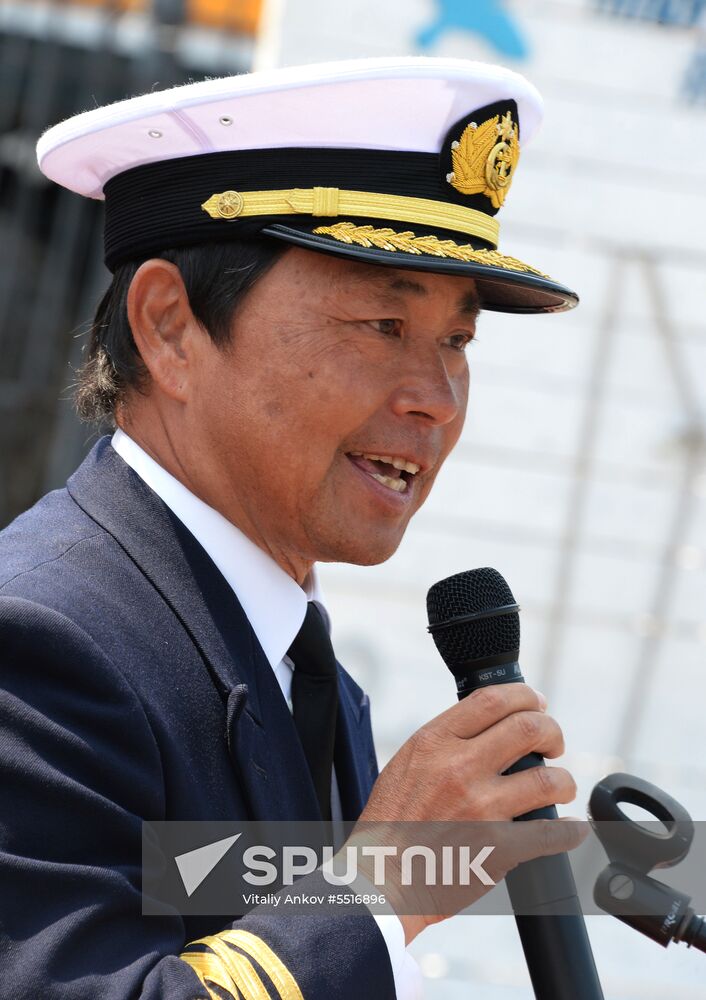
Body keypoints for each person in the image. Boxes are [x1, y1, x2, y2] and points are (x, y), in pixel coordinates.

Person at [0, 58, 580, 999]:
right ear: (170, 327)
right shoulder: (36, 644)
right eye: (382, 322)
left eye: (458, 341)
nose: (435, 399)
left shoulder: (304, 675)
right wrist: (380, 889)